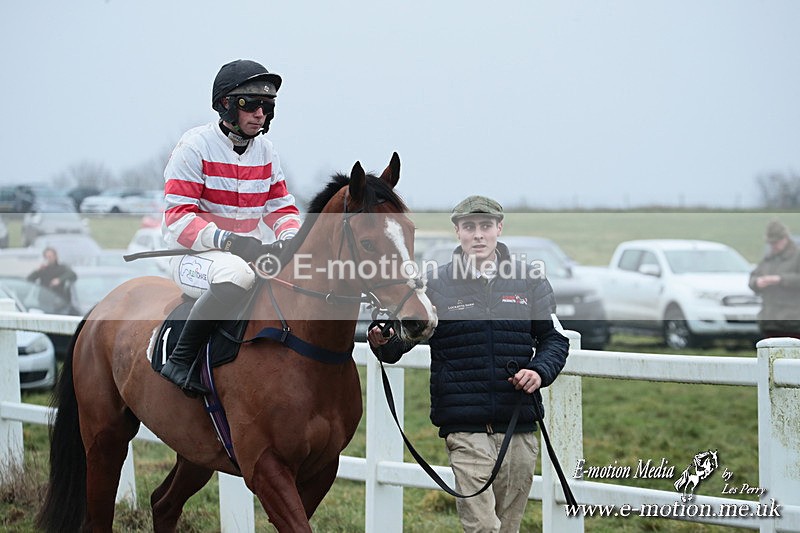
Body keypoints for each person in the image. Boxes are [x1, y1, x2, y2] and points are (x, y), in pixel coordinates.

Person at [368, 195, 569, 533]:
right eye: (469, 227)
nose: (478, 234)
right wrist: (385, 342)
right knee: (482, 527)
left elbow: (554, 340)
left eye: (485, 226)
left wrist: (539, 371)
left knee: (508, 527)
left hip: (518, 425)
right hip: (465, 428)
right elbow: (403, 342)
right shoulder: (435, 285)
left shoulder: (529, 280)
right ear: (457, 232)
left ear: (498, 229)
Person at [159, 59, 302, 394]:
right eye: (250, 105)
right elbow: (178, 219)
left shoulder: (266, 152)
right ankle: (180, 360)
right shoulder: (194, 146)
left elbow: (282, 208)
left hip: (247, 255)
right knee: (237, 275)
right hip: (191, 257)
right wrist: (230, 242)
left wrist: (289, 240)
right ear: (225, 104)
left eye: (266, 107)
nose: (259, 114)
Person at [749, 219, 800, 339]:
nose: (773, 246)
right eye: (771, 243)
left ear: (785, 238)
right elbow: (753, 278)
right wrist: (757, 282)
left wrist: (780, 280)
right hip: (769, 322)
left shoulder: (797, 256)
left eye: (776, 242)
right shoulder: (768, 258)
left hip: (794, 324)